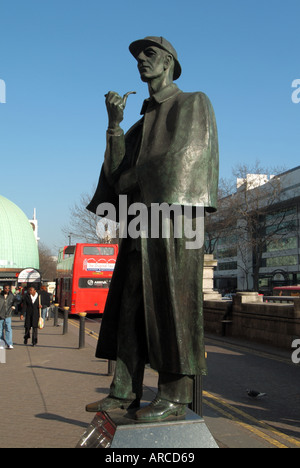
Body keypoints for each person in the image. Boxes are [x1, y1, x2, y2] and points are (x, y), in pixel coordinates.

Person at [85, 36, 219, 422]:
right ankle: (124, 391)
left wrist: (133, 177)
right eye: (138, 56)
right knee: (130, 308)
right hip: (139, 227)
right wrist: (114, 126)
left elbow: (183, 160)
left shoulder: (193, 103)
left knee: (170, 305)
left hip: (174, 222)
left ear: (169, 63)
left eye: (150, 54)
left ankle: (174, 394)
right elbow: (114, 177)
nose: (141, 61)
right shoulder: (138, 126)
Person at [0, 284, 17, 349]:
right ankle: (1, 343)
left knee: (8, 328)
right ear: (3, 289)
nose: (7, 289)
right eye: (5, 288)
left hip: (8, 314)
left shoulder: (11, 295)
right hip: (0, 314)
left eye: (8, 288)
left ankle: (9, 343)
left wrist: (14, 305)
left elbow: (15, 301)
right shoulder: (0, 296)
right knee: (0, 329)